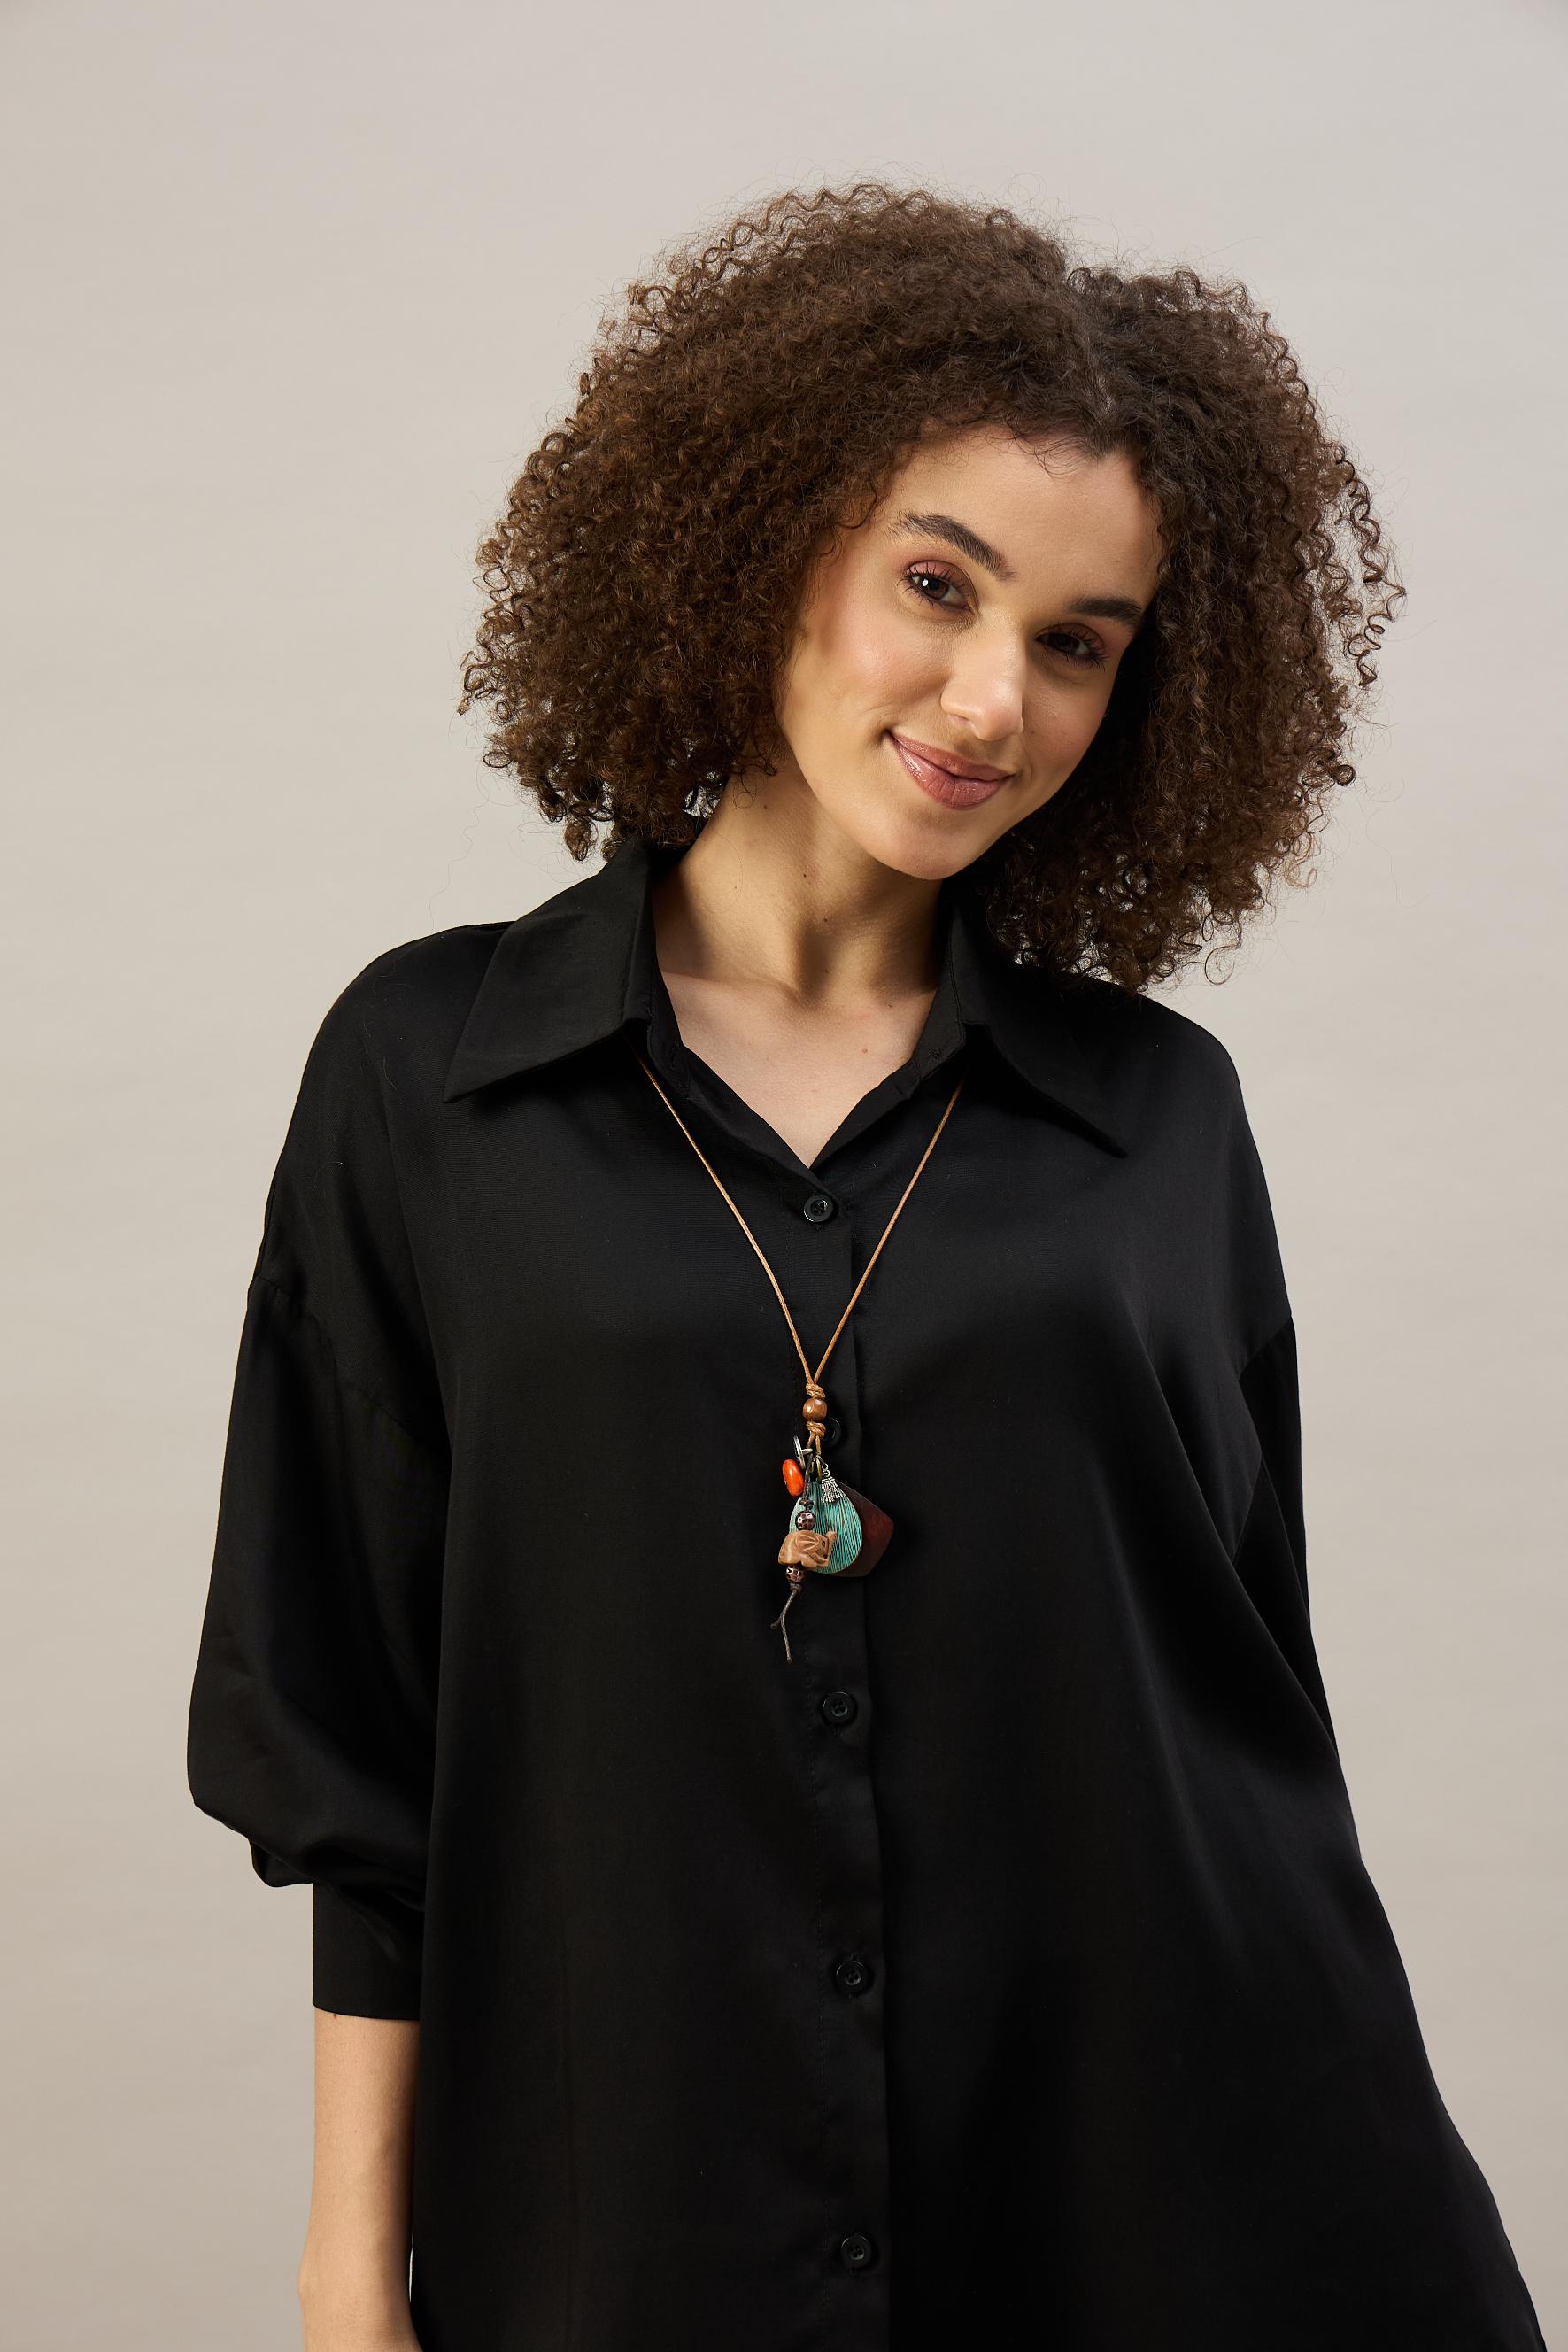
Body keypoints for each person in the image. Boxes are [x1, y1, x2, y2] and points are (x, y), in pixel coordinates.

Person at [186, 182, 1548, 2351]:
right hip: (636, 2216)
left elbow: (1231, 1717)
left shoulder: (1157, 1120)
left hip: (1150, 2202)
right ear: (764, 539)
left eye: (1080, 641)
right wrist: (354, 2271)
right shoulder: (427, 1075)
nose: (991, 697)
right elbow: (359, 1729)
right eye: (937, 582)